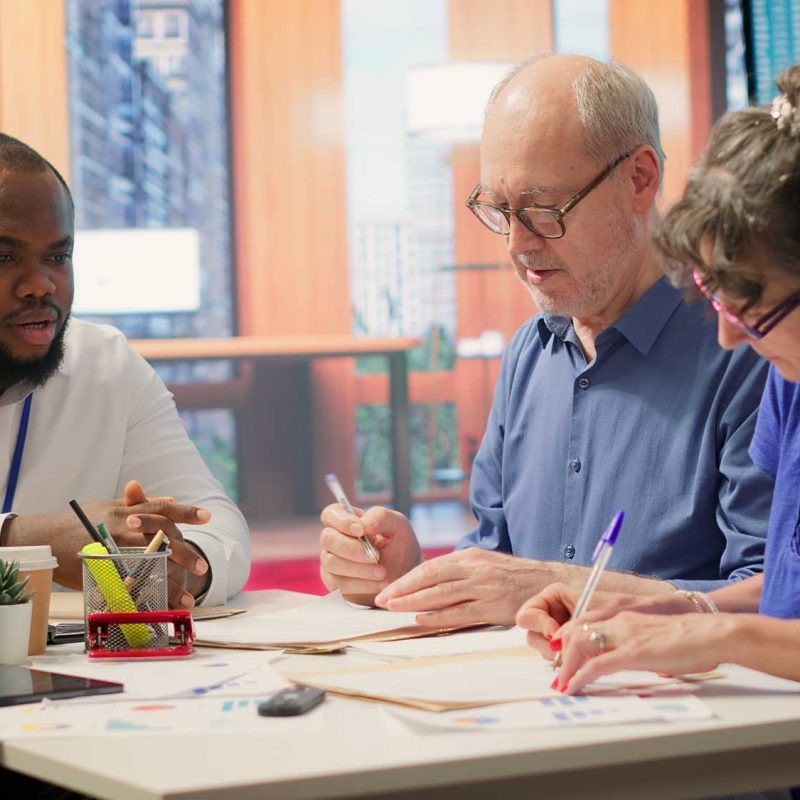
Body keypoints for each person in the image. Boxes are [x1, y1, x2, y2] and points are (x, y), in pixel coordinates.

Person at [319, 54, 773, 628]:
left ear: (641, 178)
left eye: (541, 209)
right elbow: (498, 564)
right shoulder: (528, 356)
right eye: (499, 210)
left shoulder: (749, 351)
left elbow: (769, 596)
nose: (515, 244)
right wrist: (411, 573)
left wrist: (560, 587)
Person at [517, 65, 800, 700]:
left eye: (754, 305)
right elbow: (788, 591)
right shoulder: (791, 381)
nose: (730, 338)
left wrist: (722, 640)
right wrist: (674, 615)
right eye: (716, 298)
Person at [0, 133, 250, 608]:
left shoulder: (106, 365)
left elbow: (212, 520)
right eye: (3, 257)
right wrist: (34, 542)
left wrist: (181, 566)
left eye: (58, 256)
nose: (41, 284)